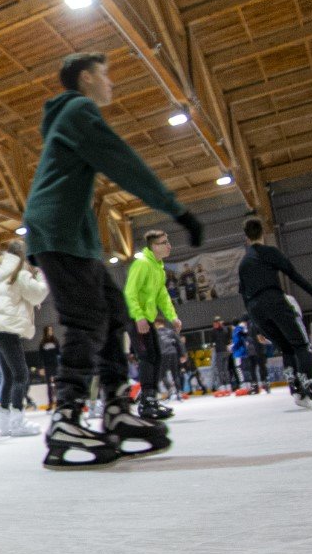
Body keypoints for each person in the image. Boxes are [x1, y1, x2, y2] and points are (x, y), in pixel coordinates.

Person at [23, 52, 203, 468]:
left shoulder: (70, 117)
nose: (111, 84)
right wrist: (175, 209)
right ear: (86, 79)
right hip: (59, 231)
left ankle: (117, 409)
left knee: (114, 313)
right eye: (106, 76)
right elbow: (121, 160)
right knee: (86, 319)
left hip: (71, 233)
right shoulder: (79, 110)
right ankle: (66, 417)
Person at [233, 217, 312, 407]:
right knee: (300, 344)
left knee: (286, 347)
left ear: (246, 237)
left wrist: (257, 326)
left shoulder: (244, 263)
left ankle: (295, 388)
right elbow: (294, 275)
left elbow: (244, 296)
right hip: (274, 301)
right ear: (262, 233)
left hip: (256, 310)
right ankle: (310, 385)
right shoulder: (270, 252)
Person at [0, 243, 47, 437]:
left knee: (9, 377)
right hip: (8, 331)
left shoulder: (0, 274)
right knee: (21, 375)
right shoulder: (20, 273)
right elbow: (38, 294)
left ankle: (4, 423)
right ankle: (18, 421)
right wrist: (40, 274)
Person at [123, 228, 181, 420]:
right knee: (147, 357)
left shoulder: (158, 267)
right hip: (135, 318)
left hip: (147, 318)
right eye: (164, 242)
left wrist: (172, 317)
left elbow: (162, 296)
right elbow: (130, 292)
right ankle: (146, 403)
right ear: (154, 246)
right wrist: (138, 317)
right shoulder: (142, 265)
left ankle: (151, 399)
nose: (168, 245)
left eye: (168, 241)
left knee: (156, 356)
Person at [36, 326, 61, 408]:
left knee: (57, 384)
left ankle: (58, 402)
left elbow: (59, 353)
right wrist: (41, 367)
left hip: (55, 365)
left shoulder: (55, 341)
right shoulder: (42, 343)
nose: (51, 331)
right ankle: (50, 403)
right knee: (49, 385)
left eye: (51, 330)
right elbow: (40, 356)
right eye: (49, 330)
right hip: (47, 366)